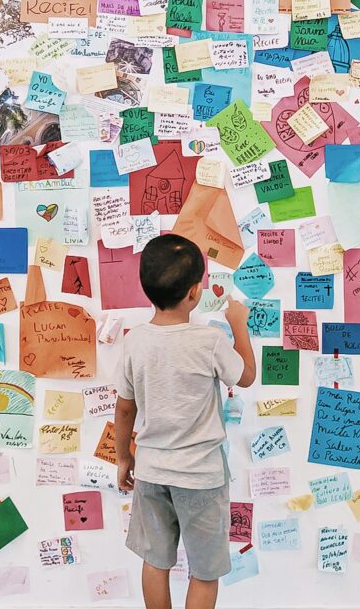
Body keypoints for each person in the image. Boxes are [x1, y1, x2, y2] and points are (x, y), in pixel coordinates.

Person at [114, 234, 255, 609]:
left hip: (153, 471)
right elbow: (246, 376)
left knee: (155, 561)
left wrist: (123, 457)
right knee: (204, 572)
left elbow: (124, 409)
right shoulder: (207, 341)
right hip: (201, 478)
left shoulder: (134, 342)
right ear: (195, 292)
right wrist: (238, 323)